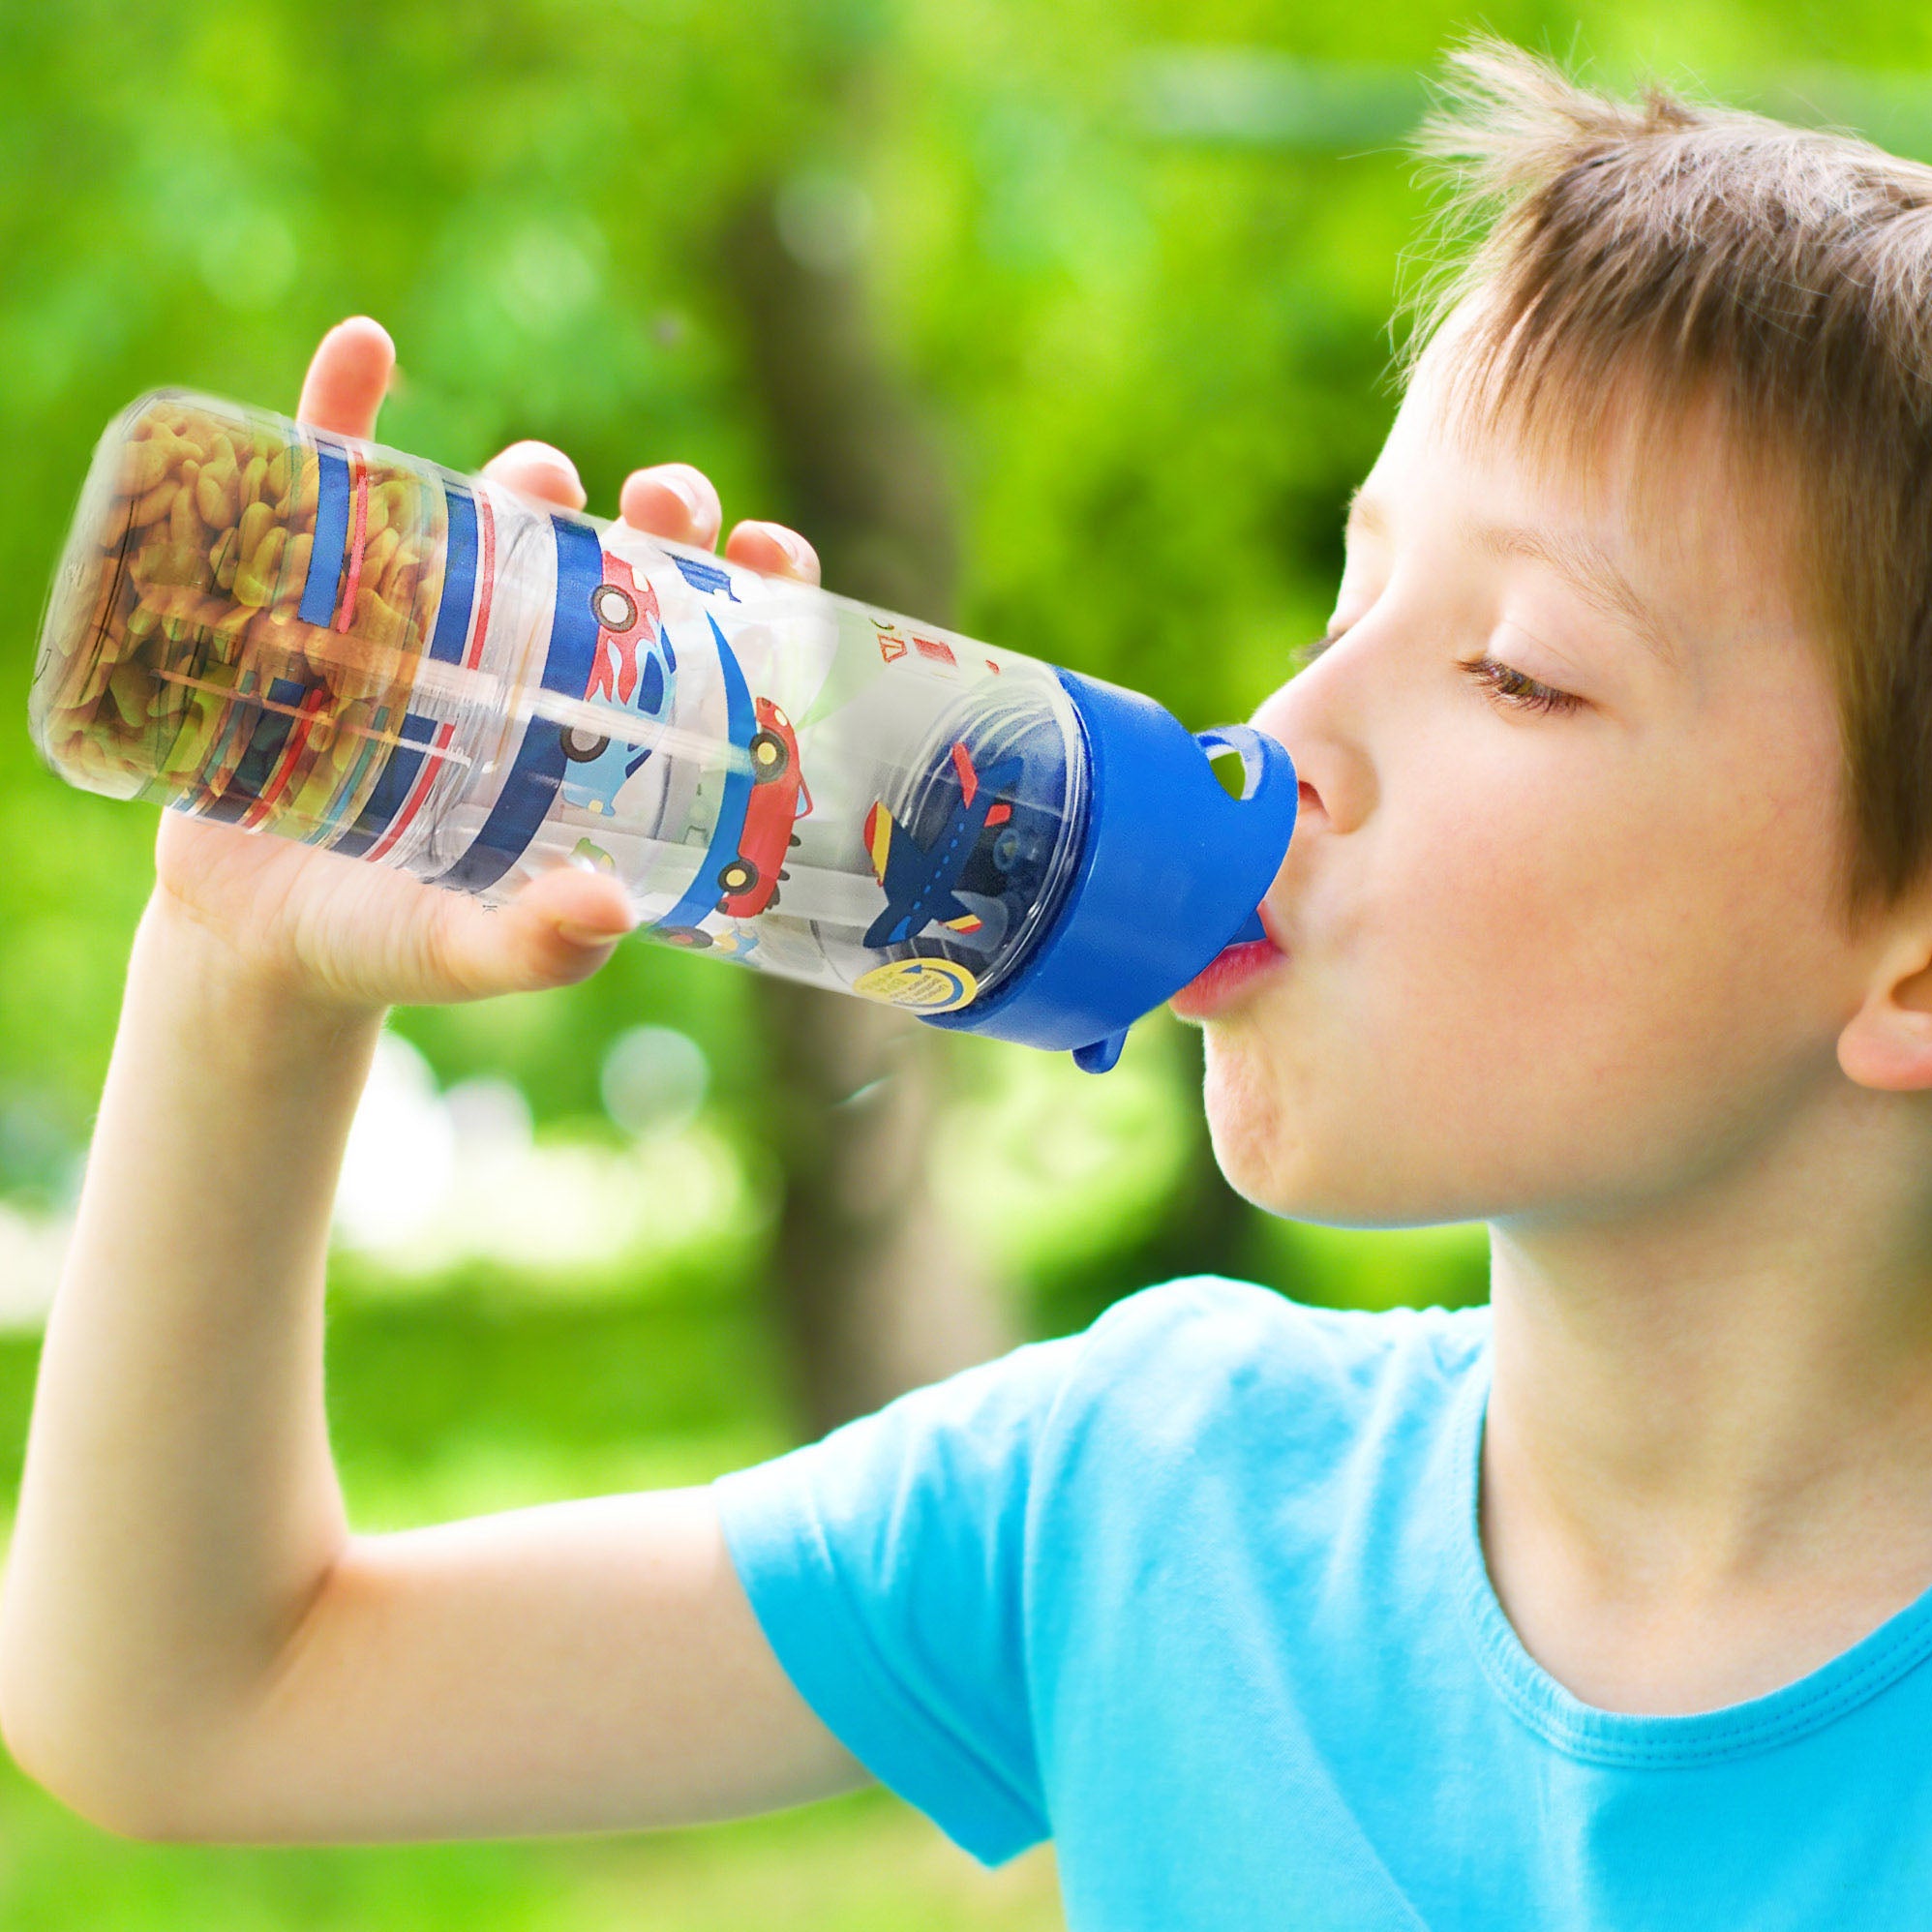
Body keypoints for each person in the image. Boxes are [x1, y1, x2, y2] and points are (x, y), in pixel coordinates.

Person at [6, 36, 1932, 1924]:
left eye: (1510, 662)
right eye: (1347, 600)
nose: (1280, 722)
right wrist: (243, 979)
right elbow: (188, 1700)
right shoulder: (1153, 1493)